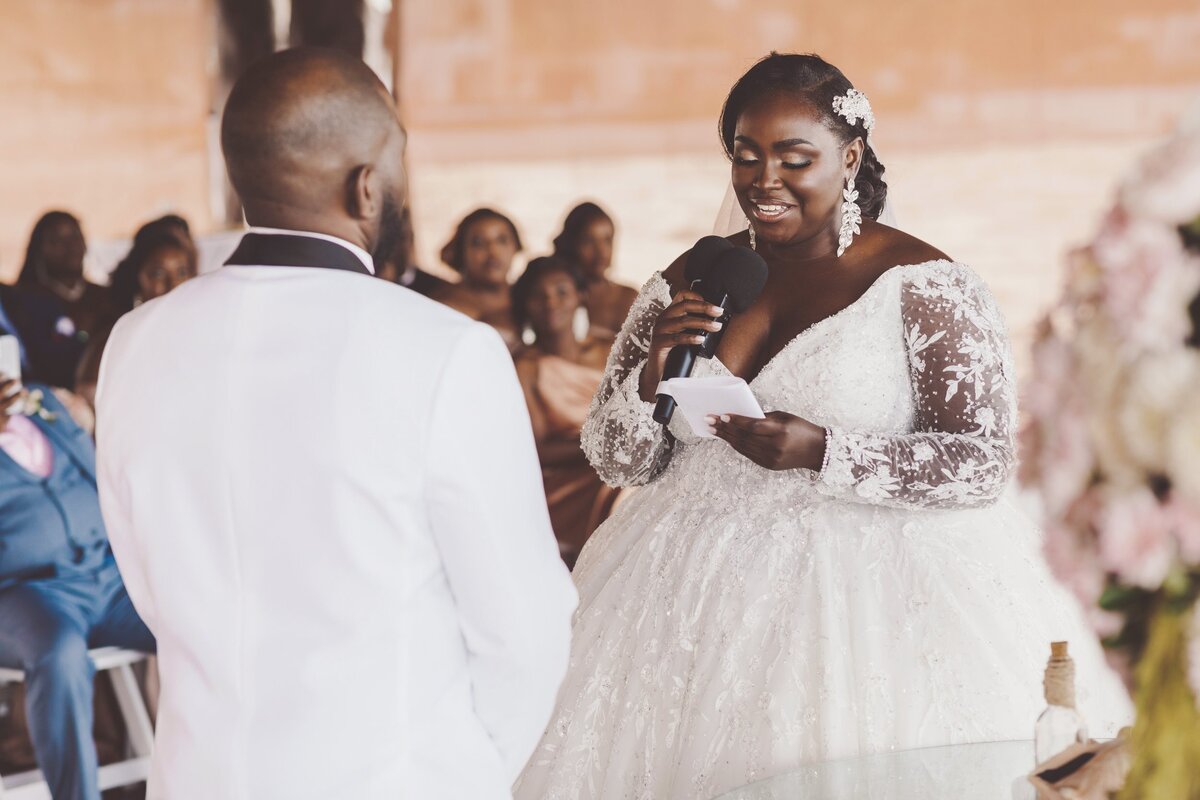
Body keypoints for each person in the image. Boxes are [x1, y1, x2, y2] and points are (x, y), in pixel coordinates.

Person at [514, 53, 1130, 799]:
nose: (762, 180)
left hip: (869, 603)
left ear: (850, 156)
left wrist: (825, 451)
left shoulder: (925, 285)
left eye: (792, 158)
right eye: (745, 156)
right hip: (677, 597)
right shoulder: (692, 274)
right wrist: (653, 376)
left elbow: (983, 460)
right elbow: (619, 460)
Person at [95, 47, 575, 800]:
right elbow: (525, 627)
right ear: (365, 187)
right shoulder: (446, 350)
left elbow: (150, 585)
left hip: (199, 776)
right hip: (396, 779)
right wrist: (462, 766)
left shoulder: (136, 341)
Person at [0, 377, 155, 800]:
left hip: (108, 578)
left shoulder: (43, 402)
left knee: (195, 621)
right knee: (59, 654)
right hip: (28, 594)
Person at [512, 256, 617, 568]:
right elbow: (538, 449)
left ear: (580, 295)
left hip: (613, 460)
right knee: (615, 480)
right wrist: (603, 447)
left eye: (561, 291)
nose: (550, 303)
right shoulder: (526, 367)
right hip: (563, 481)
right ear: (526, 305)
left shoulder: (608, 349)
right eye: (538, 296)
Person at [74, 225, 199, 407]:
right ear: (138, 278)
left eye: (181, 272)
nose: (173, 284)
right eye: (158, 273)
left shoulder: (202, 331)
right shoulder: (115, 339)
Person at [16, 212, 116, 377]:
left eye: (75, 236)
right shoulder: (24, 302)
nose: (70, 246)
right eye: (57, 240)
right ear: (39, 249)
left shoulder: (106, 296)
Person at [429, 208, 523, 350]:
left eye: (502, 240)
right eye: (478, 243)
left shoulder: (530, 296)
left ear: (516, 246)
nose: (493, 252)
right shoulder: (444, 307)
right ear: (461, 251)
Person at [552, 201, 637, 337]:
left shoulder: (629, 298)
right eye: (588, 241)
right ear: (571, 244)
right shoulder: (558, 299)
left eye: (607, 240)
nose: (601, 251)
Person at [375, 205, 451, 296]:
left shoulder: (439, 289)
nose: (394, 247)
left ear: (411, 239)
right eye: (388, 239)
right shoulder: (367, 279)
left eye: (400, 239)